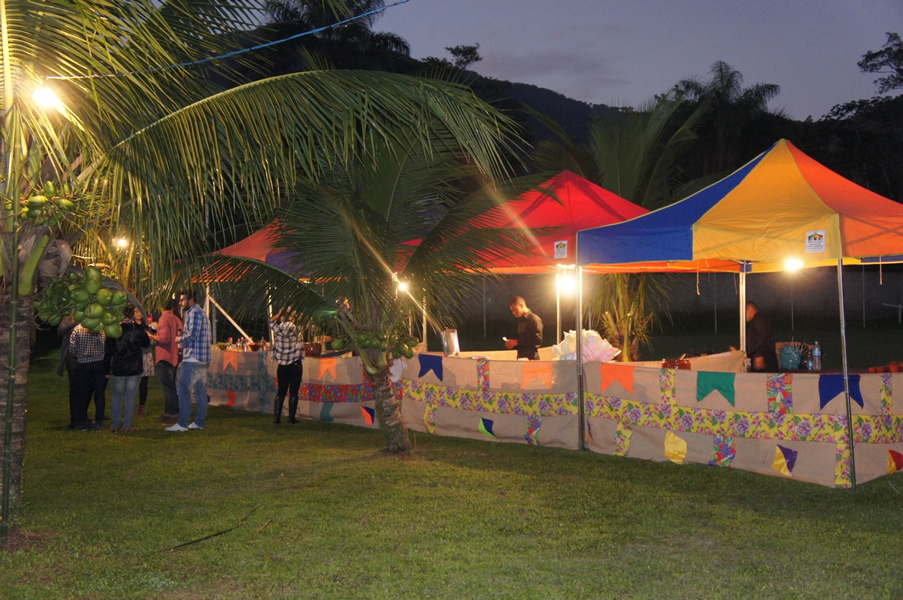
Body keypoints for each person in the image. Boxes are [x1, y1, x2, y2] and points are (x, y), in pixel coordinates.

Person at [166, 290, 211, 432]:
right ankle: (199, 422)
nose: (180, 303)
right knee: (199, 391)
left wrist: (179, 339)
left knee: (183, 389)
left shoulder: (195, 313)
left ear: (191, 300)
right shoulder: (197, 313)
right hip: (200, 358)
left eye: (182, 300)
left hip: (194, 358)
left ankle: (182, 423)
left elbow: (193, 335)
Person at [106, 306, 150, 433]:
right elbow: (146, 344)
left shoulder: (115, 330)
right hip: (134, 367)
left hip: (119, 367)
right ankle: (126, 425)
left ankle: (114, 425)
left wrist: (106, 368)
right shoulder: (138, 329)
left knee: (117, 397)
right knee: (130, 397)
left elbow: (108, 350)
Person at [68, 322, 110, 431]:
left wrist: (79, 354)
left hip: (83, 364)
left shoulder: (78, 329)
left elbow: (72, 348)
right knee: (99, 394)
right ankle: (99, 422)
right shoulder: (100, 328)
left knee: (83, 393)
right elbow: (104, 344)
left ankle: (83, 422)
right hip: (99, 363)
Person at [148, 298, 182, 424]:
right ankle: (169, 412)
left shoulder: (164, 318)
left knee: (167, 387)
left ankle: (173, 413)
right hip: (174, 356)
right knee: (171, 386)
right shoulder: (176, 318)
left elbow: (164, 338)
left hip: (165, 356)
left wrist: (151, 335)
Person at [269, 307, 304, 424]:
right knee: (294, 392)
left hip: (282, 365)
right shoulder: (297, 328)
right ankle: (291, 418)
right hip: (295, 364)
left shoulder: (278, 329)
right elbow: (306, 321)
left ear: (282, 317)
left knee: (281, 392)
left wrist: (279, 313)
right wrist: (296, 314)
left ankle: (277, 418)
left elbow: (270, 321)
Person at [56, 313, 80, 429]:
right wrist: (74, 322)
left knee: (87, 386)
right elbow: (60, 330)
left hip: (88, 354)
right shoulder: (70, 315)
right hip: (72, 355)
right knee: (75, 387)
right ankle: (75, 418)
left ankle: (82, 416)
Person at [132, 309, 155, 418]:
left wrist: (149, 335)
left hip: (145, 354)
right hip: (133, 355)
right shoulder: (130, 326)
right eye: (136, 311)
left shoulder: (147, 327)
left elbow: (150, 340)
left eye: (140, 311)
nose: (138, 314)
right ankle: (130, 404)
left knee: (143, 382)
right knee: (132, 381)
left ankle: (141, 407)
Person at [505, 296, 543, 360]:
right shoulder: (522, 321)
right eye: (512, 311)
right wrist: (512, 345)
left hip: (532, 359)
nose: (513, 313)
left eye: (515, 310)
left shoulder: (534, 319)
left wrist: (517, 342)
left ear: (521, 306)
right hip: (522, 358)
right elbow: (523, 343)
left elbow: (538, 341)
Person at [745, 301, 778, 372]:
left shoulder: (758, 319)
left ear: (749, 309)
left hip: (764, 358)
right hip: (763, 356)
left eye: (745, 312)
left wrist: (759, 355)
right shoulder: (759, 319)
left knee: (763, 380)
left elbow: (763, 335)